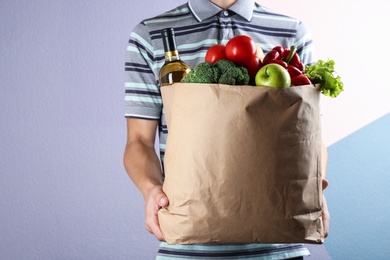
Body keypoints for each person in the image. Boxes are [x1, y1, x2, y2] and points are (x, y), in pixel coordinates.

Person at [123, 0, 330, 259]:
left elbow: (309, 137)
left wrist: (313, 188)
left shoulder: (292, 32)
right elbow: (139, 141)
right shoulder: (149, 35)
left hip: (280, 248)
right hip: (188, 248)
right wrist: (150, 189)